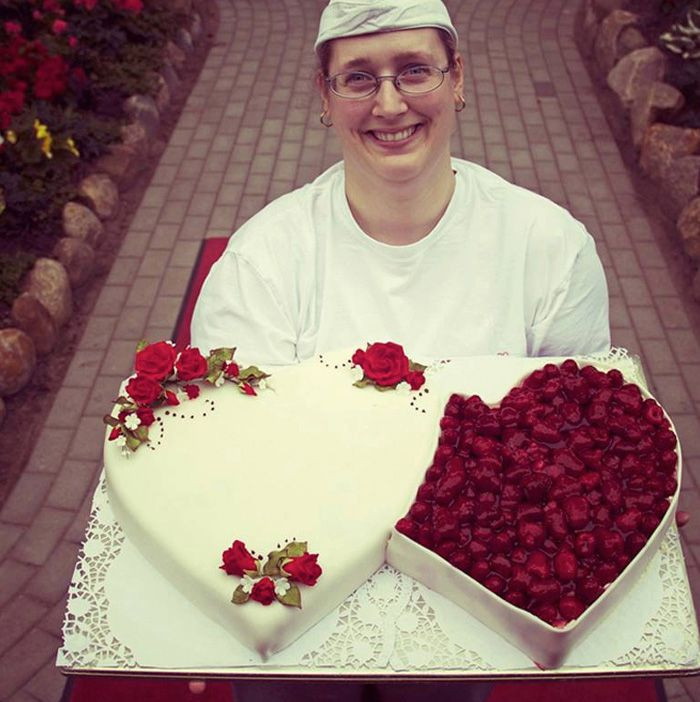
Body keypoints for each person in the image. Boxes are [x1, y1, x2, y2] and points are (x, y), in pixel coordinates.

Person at [188, 0, 687, 699]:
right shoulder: (262, 261)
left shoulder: (549, 248)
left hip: (474, 599)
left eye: (414, 70)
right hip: (302, 610)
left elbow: (581, 426)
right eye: (358, 78)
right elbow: (235, 449)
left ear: (458, 80)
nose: (389, 104)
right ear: (324, 99)